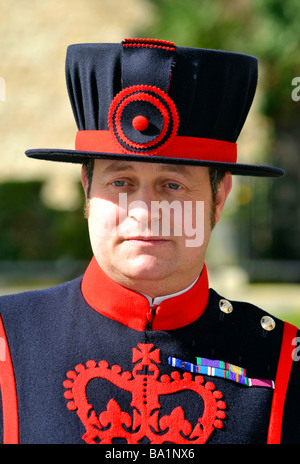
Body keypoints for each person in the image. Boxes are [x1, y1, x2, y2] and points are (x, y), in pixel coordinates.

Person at [0, 38, 299, 445]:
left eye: (172, 185)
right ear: (87, 187)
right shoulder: (8, 340)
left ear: (220, 194)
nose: (144, 210)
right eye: (120, 182)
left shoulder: (283, 362)